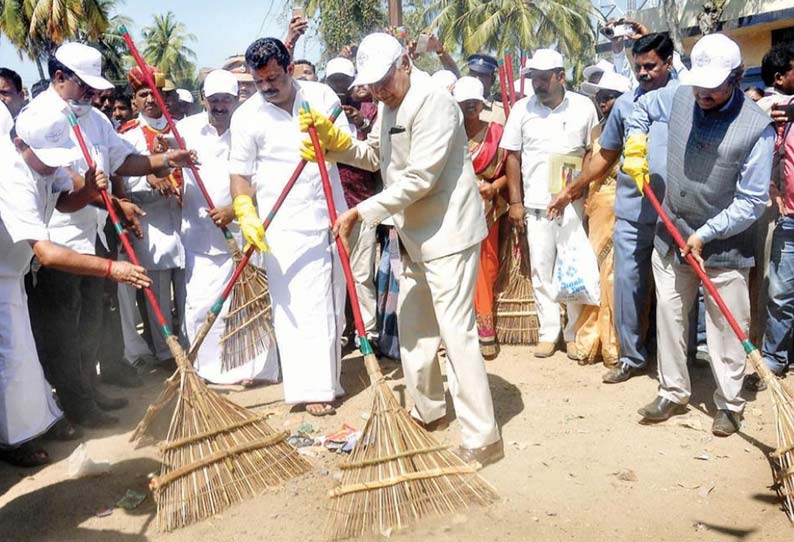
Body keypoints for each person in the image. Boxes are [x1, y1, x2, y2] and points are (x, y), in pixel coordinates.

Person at [318, 32, 503, 466]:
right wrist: (335, 144)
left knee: (456, 335)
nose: (379, 91)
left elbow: (420, 178)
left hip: (449, 235)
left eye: (384, 81)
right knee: (414, 328)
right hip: (413, 237)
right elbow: (377, 157)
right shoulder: (388, 103)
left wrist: (360, 212)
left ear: (405, 62)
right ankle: (428, 410)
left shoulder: (433, 100)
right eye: (373, 85)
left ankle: (483, 435)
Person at [24, 42, 193, 428]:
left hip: (95, 231)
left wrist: (166, 160)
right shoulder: (42, 119)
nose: (94, 94)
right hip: (58, 238)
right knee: (65, 327)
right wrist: (110, 200)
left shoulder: (95, 119)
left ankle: (89, 389)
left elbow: (123, 160)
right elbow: (65, 192)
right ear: (60, 77)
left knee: (93, 321)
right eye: (84, 85)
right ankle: (75, 403)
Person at [626, 33, 774, 436]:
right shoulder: (677, 95)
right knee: (670, 317)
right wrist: (636, 142)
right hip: (671, 230)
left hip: (725, 242)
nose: (704, 94)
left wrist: (707, 234)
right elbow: (637, 107)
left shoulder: (757, 129)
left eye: (714, 86)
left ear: (737, 78)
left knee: (727, 328)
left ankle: (729, 403)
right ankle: (673, 391)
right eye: (699, 85)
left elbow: (751, 201)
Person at [0, 102, 150, 466]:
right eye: (44, 157)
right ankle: (14, 439)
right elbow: (48, 253)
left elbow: (66, 202)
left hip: (12, 272)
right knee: (13, 358)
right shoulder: (13, 176)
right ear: (21, 144)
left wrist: (93, 194)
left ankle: (35, 422)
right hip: (3, 274)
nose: (52, 164)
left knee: (24, 356)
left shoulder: (46, 163)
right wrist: (111, 268)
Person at [548, 33, 678, 383]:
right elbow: (604, 158)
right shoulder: (625, 105)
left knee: (673, 294)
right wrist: (570, 191)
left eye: (650, 66)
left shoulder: (688, 97)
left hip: (676, 214)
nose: (643, 73)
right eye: (638, 67)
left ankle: (677, 364)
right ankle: (631, 357)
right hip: (633, 212)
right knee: (626, 285)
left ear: (669, 62)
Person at [229, 37, 348, 416]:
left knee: (333, 304)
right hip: (282, 223)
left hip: (331, 213)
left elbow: (350, 147)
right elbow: (240, 174)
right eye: (259, 81)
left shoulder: (321, 96)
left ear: (291, 67)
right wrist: (245, 210)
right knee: (297, 306)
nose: (266, 88)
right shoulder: (246, 116)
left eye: (274, 79)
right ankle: (309, 388)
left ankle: (330, 379)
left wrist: (331, 140)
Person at [178, 69, 279, 385]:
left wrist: (234, 210)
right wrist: (165, 166)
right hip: (200, 236)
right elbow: (163, 159)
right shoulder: (184, 130)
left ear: (237, 100)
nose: (220, 107)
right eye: (214, 100)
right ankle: (206, 370)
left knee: (250, 307)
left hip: (242, 234)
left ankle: (254, 370)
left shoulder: (251, 129)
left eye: (227, 100)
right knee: (201, 305)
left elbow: (263, 180)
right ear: (203, 100)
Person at [501, 48, 599, 359]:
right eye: (534, 79)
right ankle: (548, 333)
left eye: (544, 79)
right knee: (541, 270)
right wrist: (515, 202)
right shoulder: (521, 110)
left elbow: (590, 152)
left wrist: (579, 190)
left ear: (561, 76)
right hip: (536, 206)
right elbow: (512, 157)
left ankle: (572, 333)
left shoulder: (584, 107)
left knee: (571, 266)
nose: (538, 85)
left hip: (572, 203)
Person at [117, 64, 188, 368]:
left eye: (157, 92)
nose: (150, 99)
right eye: (144, 93)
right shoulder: (128, 135)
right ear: (134, 100)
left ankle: (191, 345)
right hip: (152, 222)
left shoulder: (180, 129)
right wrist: (146, 177)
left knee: (187, 292)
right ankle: (165, 353)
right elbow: (120, 175)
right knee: (157, 293)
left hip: (185, 221)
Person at [569, 71, 632, 366]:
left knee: (613, 275)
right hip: (595, 207)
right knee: (595, 273)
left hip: (620, 206)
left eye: (609, 97)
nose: (604, 103)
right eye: (600, 98)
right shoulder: (597, 132)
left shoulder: (632, 129)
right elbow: (586, 164)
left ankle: (613, 343)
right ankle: (590, 339)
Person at [746, 42, 794, 390]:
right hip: (786, 217)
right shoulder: (768, 110)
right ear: (779, 78)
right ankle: (774, 358)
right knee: (779, 290)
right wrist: (766, 117)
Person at [324, 57, 380, 343]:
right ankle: (340, 331)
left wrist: (363, 123)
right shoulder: (319, 113)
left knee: (361, 274)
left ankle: (366, 331)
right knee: (333, 276)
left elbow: (378, 154)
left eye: (343, 82)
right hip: (329, 207)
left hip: (360, 204)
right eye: (333, 82)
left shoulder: (370, 110)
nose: (338, 88)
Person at [454, 76, 507, 359]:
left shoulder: (497, 132)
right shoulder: (447, 133)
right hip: (454, 209)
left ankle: (486, 327)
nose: (470, 107)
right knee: (456, 268)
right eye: (464, 103)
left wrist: (494, 187)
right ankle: (457, 332)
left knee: (485, 266)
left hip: (488, 208)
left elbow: (512, 171)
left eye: (474, 102)